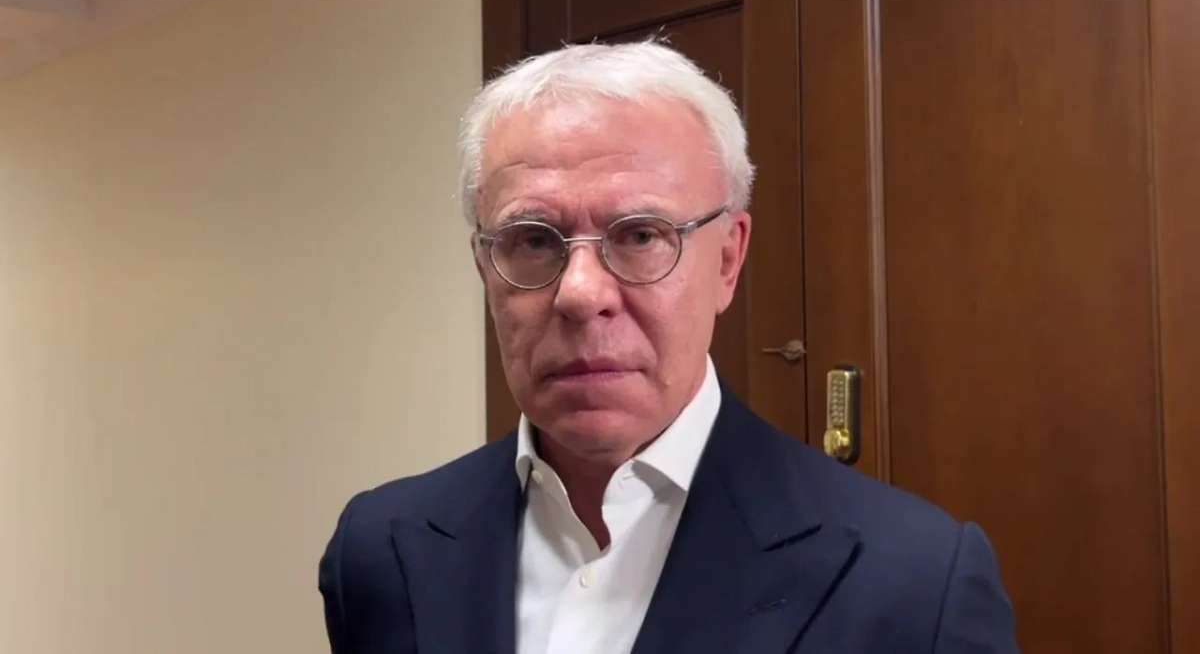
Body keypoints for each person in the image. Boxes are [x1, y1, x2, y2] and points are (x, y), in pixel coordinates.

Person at [317, 40, 1020, 654]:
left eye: (641, 235)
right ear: (483, 267)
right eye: (532, 240)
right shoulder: (379, 551)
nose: (580, 292)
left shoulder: (916, 582)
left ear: (728, 259)